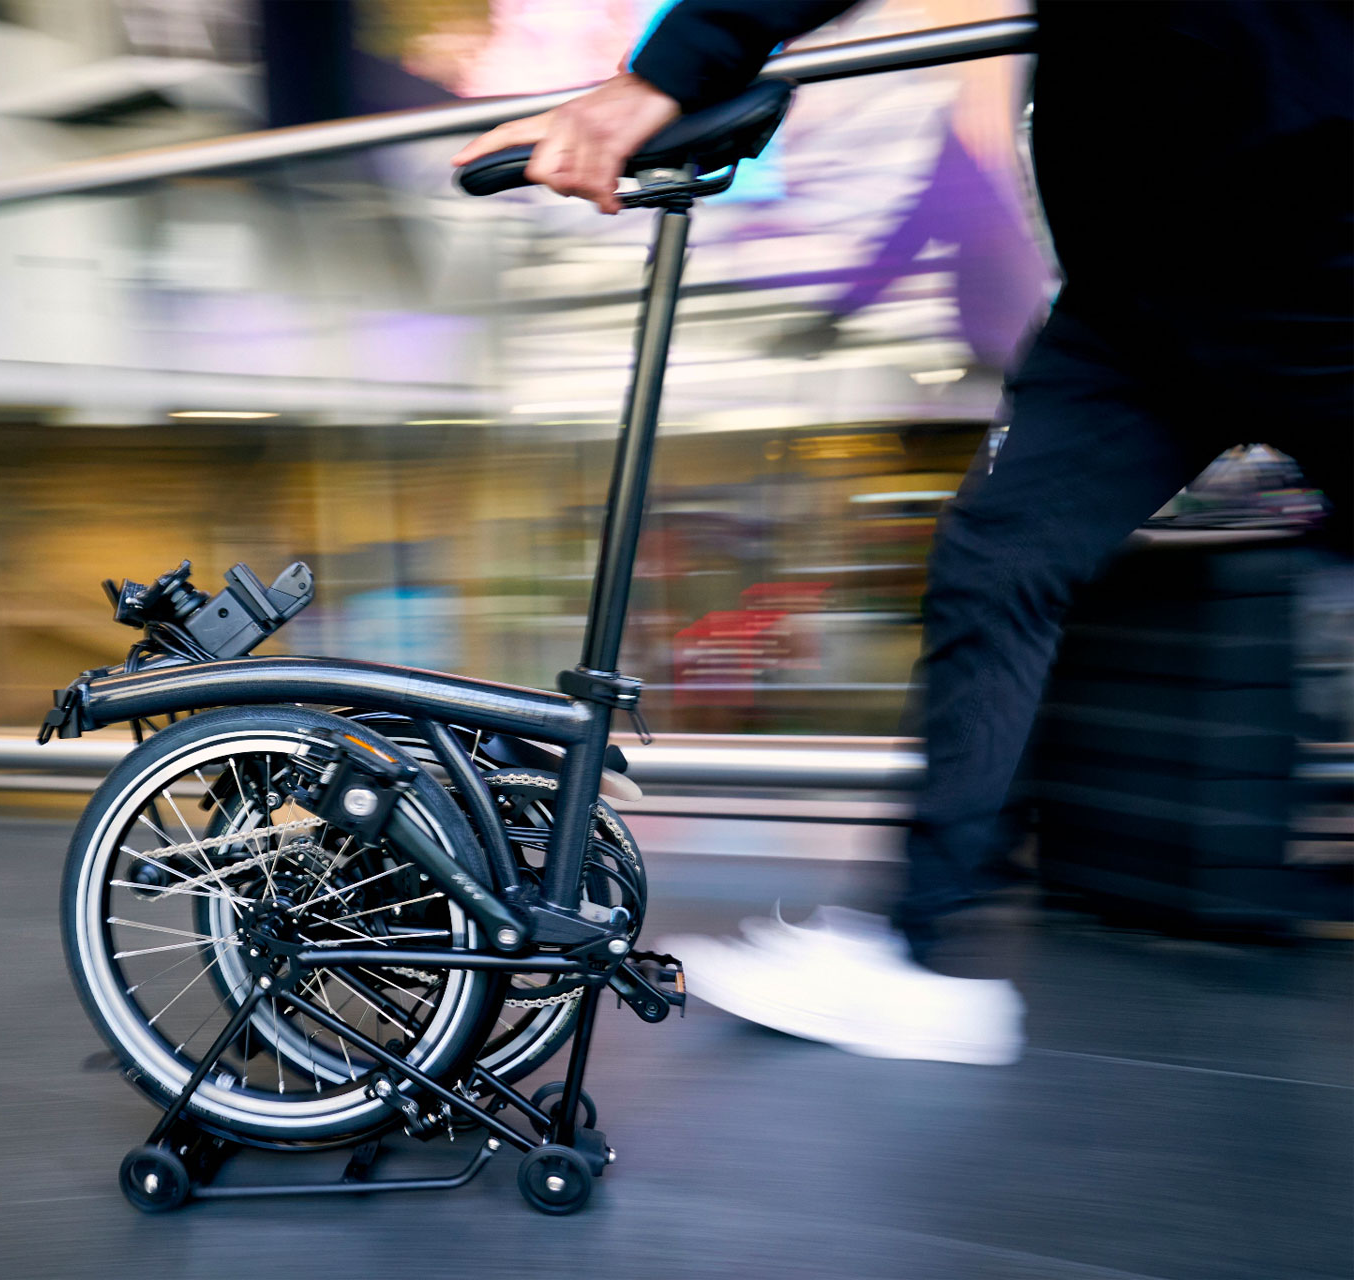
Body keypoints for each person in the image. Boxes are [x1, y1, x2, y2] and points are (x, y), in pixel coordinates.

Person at [452, 1, 1353, 1065]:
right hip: (1138, 307)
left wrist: (669, 74)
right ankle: (919, 953)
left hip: (1320, 262)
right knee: (995, 563)